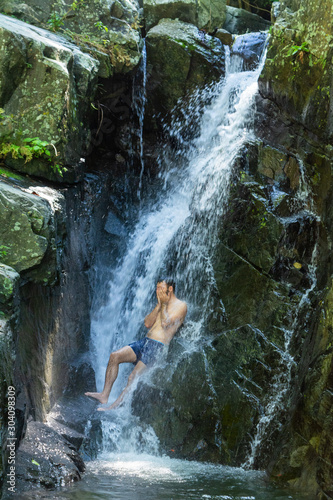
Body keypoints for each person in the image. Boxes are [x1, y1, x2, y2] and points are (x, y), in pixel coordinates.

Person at [85, 278, 187, 410]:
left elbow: (166, 323)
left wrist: (162, 305)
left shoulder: (181, 305)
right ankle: (104, 395)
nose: (158, 291)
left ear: (170, 289)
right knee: (114, 356)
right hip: (144, 342)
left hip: (157, 347)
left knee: (133, 376)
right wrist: (158, 305)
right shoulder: (161, 305)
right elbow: (147, 323)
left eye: (161, 288)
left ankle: (113, 407)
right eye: (157, 288)